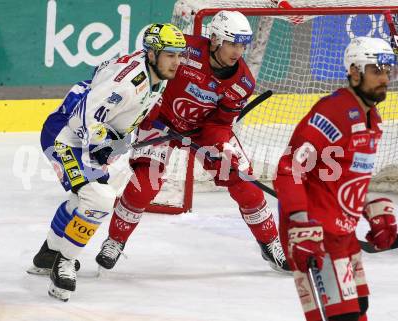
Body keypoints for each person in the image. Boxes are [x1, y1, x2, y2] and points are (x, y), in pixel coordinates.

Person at [95, 10, 289, 273]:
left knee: (245, 183)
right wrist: (151, 115)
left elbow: (221, 123)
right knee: (145, 185)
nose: (238, 51)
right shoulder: (184, 50)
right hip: (161, 121)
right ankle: (115, 241)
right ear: (216, 39)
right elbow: (150, 73)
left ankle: (270, 242)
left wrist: (219, 148)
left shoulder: (243, 82)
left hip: (203, 131)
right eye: (232, 43)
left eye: (242, 45)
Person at [28, 23, 187, 301]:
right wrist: (101, 141)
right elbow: (86, 113)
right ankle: (63, 263)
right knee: (100, 198)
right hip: (65, 136)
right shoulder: (128, 83)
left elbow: (103, 82)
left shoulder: (156, 75)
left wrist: (115, 137)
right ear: (151, 54)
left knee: (82, 200)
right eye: (170, 55)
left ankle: (48, 253)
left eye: (179, 55)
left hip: (82, 137)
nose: (177, 62)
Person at [273, 36, 398, 321]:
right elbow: (288, 168)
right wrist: (301, 224)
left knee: (360, 308)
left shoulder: (373, 118)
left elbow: (341, 179)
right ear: (354, 71)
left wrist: (368, 207)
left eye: (388, 71)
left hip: (342, 230)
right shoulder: (333, 111)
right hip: (313, 232)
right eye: (376, 70)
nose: (384, 78)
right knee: (341, 317)